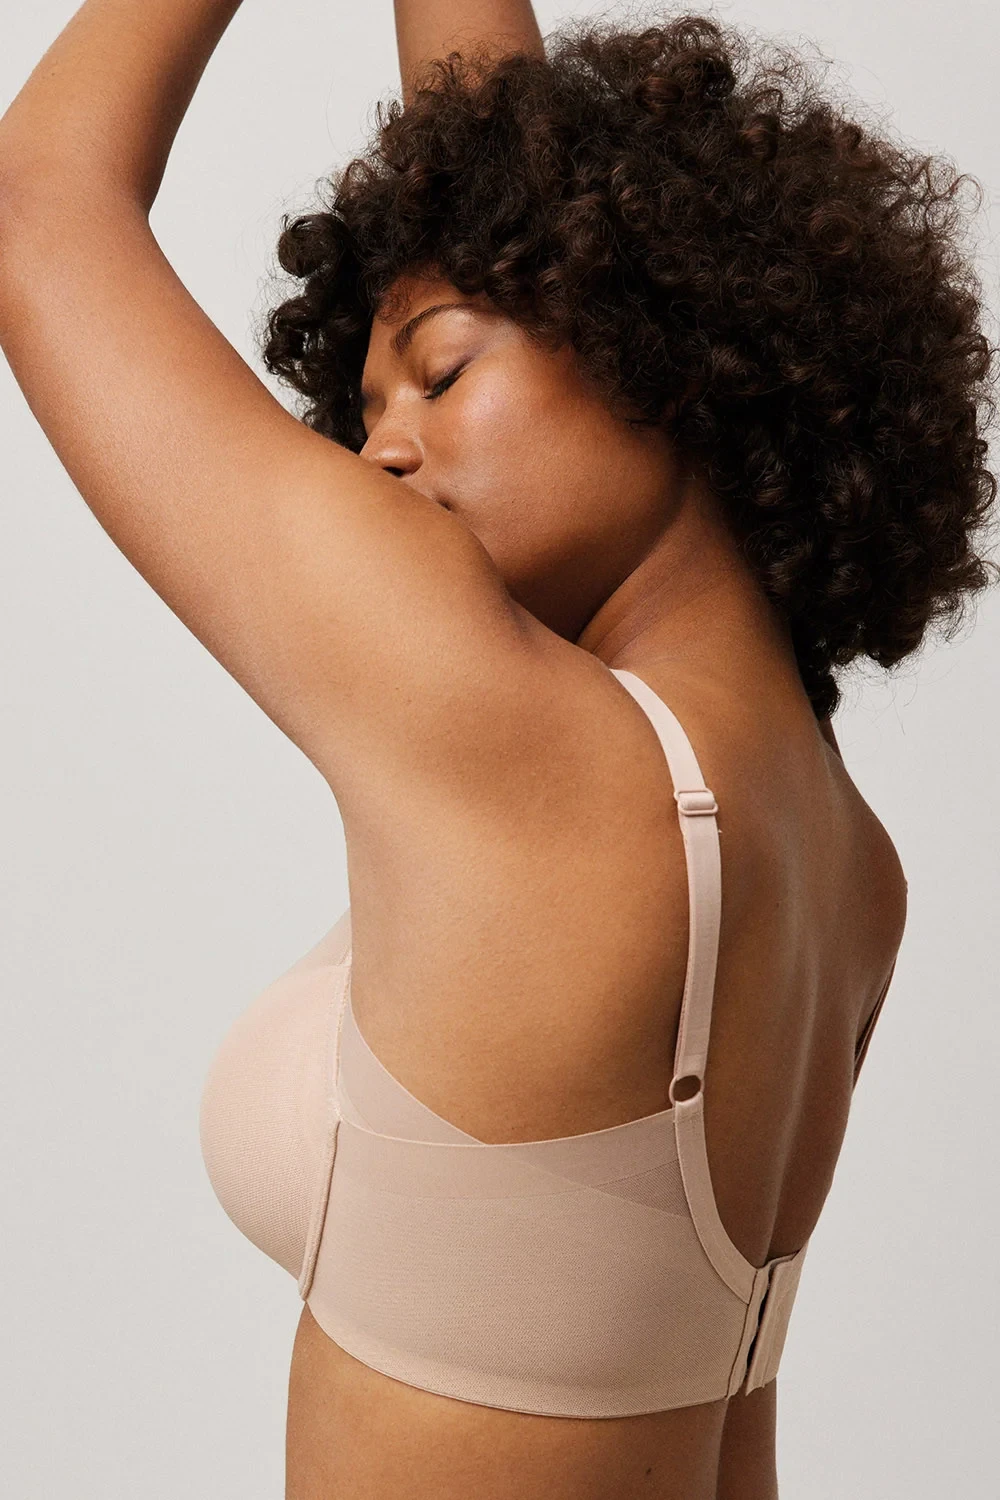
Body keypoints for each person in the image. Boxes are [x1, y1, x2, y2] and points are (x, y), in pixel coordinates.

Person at [0, 4, 995, 1497]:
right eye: (366, 410)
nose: (381, 451)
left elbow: (37, 206)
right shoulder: (843, 860)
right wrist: (495, 238)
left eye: (442, 374)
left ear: (658, 346)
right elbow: (523, 196)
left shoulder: (540, 764)